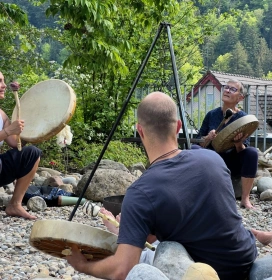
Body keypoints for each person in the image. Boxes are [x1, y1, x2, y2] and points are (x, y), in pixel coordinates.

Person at [66, 91, 258, 280]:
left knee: (146, 261)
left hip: (202, 273)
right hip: (245, 259)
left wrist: (83, 265)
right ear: (179, 127)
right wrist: (127, 230)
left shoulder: (140, 192)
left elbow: (122, 271)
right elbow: (183, 224)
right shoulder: (212, 158)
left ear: (140, 130)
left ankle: (123, 235)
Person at [197, 79, 258, 209]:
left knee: (252, 153)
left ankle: (245, 199)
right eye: (226, 87)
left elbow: (243, 149)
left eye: (233, 89)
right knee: (193, 148)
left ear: (240, 98)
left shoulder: (243, 118)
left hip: (231, 160)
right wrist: (208, 138)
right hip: (211, 159)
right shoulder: (212, 114)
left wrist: (238, 143)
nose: (227, 90)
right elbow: (199, 141)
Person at [0, 72, 41, 219]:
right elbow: (7, 133)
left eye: (4, 81)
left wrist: (35, 130)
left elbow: (13, 142)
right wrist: (8, 130)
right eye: (0, 81)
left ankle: (14, 205)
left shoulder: (2, 115)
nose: (4, 85)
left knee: (32, 153)